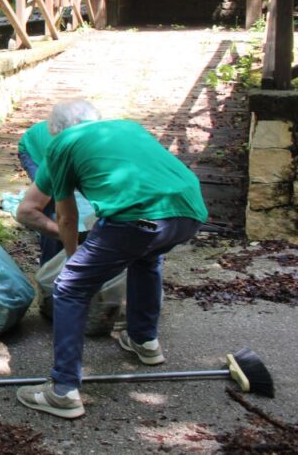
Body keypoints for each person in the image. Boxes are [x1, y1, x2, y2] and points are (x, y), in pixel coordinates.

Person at [14, 101, 208, 419]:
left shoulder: (62, 143)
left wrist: (74, 262)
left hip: (135, 218)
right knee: (147, 258)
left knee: (68, 288)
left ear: (55, 131)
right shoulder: (127, 126)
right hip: (189, 211)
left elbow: (64, 218)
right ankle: (145, 342)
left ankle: (62, 391)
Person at [17, 106, 98, 264]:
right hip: (33, 150)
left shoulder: (94, 140)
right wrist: (71, 240)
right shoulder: (60, 152)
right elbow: (30, 211)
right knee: (51, 202)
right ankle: (50, 261)